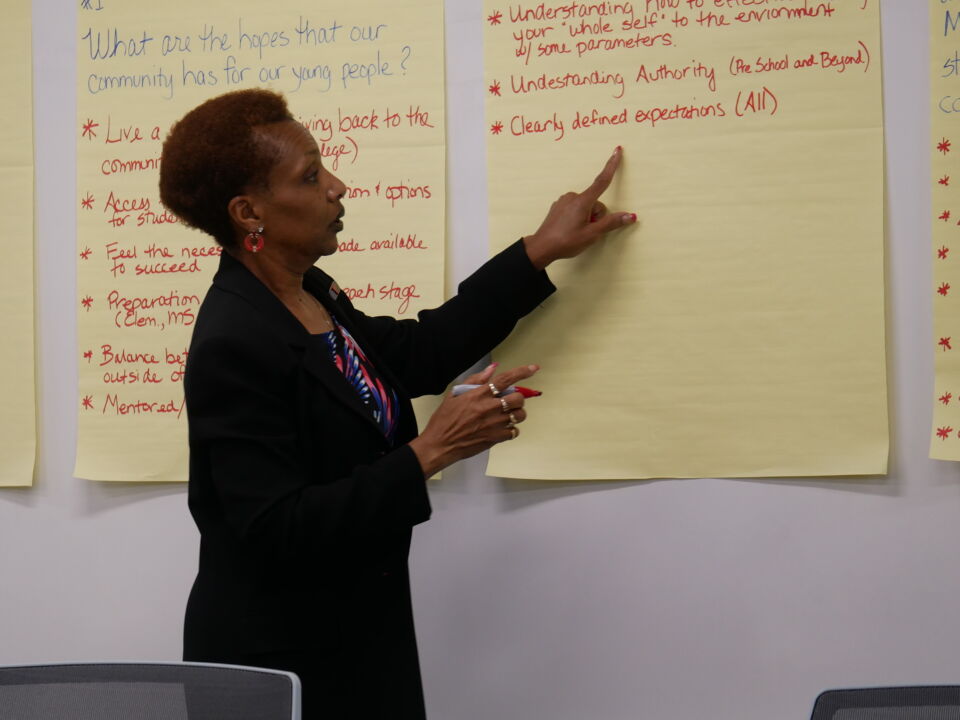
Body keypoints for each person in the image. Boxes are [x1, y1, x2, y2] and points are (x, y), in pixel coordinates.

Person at [157, 88, 635, 719]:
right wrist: (432, 449)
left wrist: (540, 249)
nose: (337, 184)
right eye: (309, 175)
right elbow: (275, 526)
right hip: (277, 661)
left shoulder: (311, 294)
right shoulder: (232, 340)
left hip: (358, 632)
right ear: (250, 212)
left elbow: (416, 353)